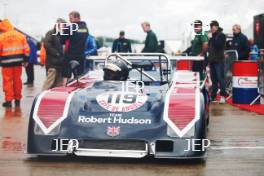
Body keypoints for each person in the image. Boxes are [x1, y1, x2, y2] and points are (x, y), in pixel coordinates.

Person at [0, 19, 30, 107]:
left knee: (7, 81)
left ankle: (8, 101)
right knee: (17, 80)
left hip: (6, 63)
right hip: (18, 63)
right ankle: (17, 100)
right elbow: (26, 49)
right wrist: (26, 60)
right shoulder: (20, 35)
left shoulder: (1, 37)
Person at [60, 11, 88, 79]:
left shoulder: (71, 27)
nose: (70, 20)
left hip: (70, 56)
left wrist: (63, 31)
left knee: (66, 77)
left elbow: (61, 40)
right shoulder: (85, 28)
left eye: (71, 18)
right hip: (81, 56)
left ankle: (65, 87)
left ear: (76, 18)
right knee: (79, 77)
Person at [42, 18, 65, 91]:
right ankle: (42, 97)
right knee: (49, 83)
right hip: (52, 63)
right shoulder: (50, 33)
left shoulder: (61, 34)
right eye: (64, 25)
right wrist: (56, 53)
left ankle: (55, 99)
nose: (64, 27)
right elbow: (46, 44)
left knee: (58, 84)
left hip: (60, 64)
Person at [208, 20, 228, 103]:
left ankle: (223, 96)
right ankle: (213, 96)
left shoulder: (222, 35)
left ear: (216, 27)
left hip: (219, 60)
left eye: (212, 27)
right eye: (211, 27)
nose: (211, 29)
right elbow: (210, 48)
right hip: (212, 60)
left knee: (221, 79)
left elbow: (219, 46)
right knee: (214, 80)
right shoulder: (212, 36)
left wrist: (212, 38)